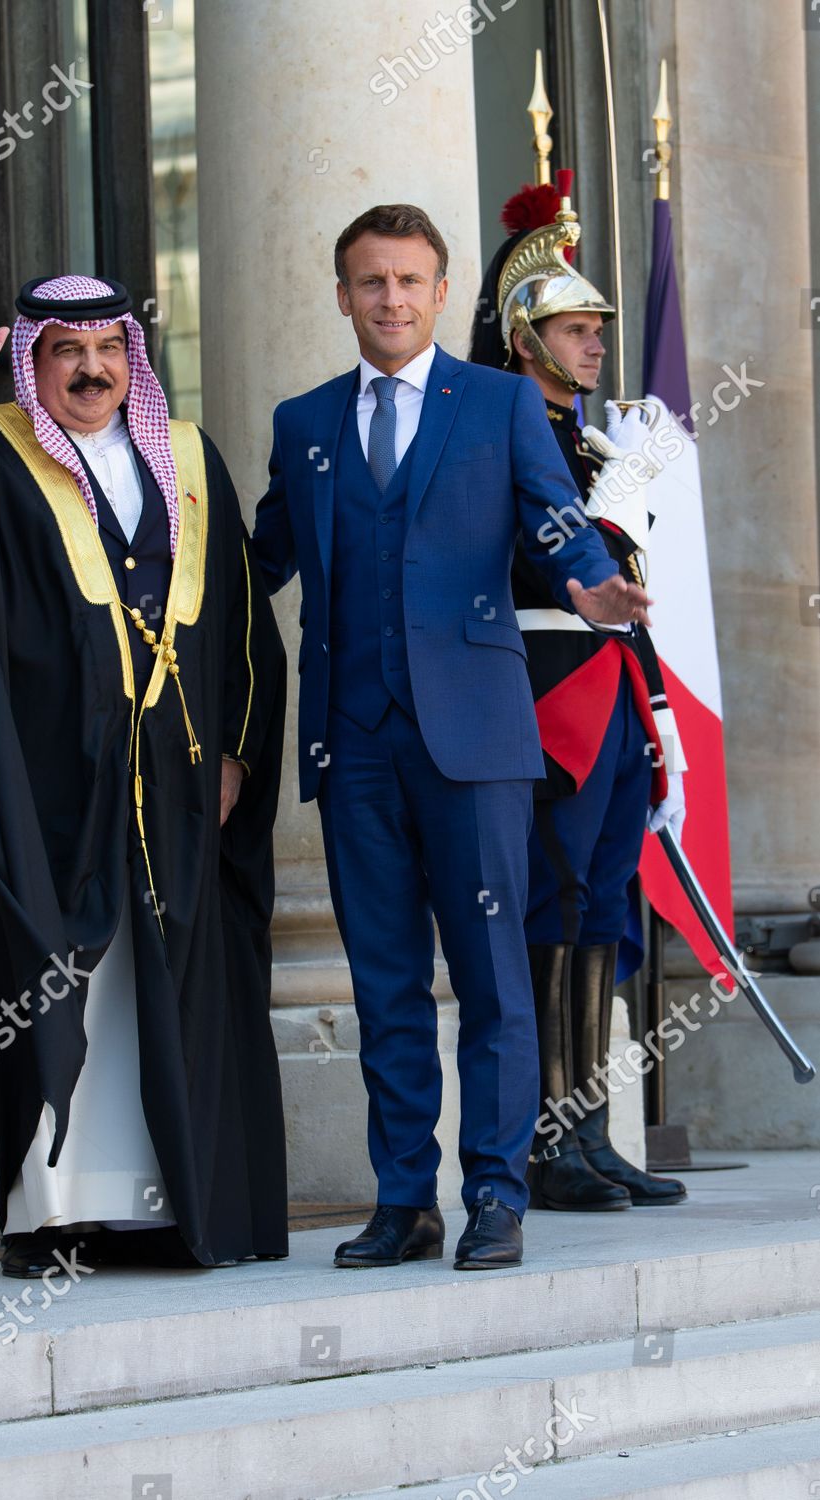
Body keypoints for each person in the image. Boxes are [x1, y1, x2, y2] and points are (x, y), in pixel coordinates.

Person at [252, 204, 652, 1271]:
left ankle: (493, 1194)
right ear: (342, 295)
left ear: (438, 292)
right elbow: (260, 558)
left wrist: (593, 588)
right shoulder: (304, 424)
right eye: (369, 282)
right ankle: (402, 1202)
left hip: (474, 740)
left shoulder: (497, 404)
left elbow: (551, 517)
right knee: (382, 983)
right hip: (355, 745)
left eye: (409, 282)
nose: (389, 300)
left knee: (488, 978)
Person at [0, 271, 288, 1276]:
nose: (90, 369)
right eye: (66, 351)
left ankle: (174, 1203)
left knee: (176, 980)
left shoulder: (186, 458)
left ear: (130, 360)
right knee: (62, 979)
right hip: (56, 775)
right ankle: (62, 1214)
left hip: (181, 778)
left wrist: (234, 746)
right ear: (35, 363)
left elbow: (238, 620)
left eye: (106, 349)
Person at [470, 177, 686, 1210]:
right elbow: (523, 555)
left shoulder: (592, 440)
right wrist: (603, 518)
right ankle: (545, 1139)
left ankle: (590, 1130)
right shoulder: (507, 427)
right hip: (546, 679)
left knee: (602, 902)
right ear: (524, 333)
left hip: (609, 688)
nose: (595, 342)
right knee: (551, 905)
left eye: (598, 326)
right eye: (573, 326)